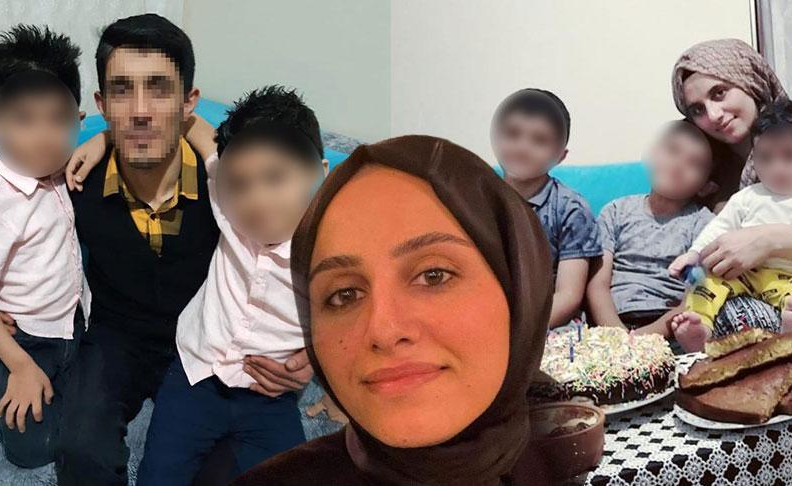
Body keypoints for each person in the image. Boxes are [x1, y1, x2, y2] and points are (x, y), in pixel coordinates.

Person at [55, 15, 313, 484]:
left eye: (159, 89)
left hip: (209, 343)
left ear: (188, 101)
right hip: (117, 336)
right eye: (121, 91)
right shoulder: (75, 181)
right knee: (78, 448)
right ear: (101, 105)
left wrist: (314, 356)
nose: (140, 110)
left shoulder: (235, 189)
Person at [233, 135, 554, 485]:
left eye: (433, 276)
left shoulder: (583, 450)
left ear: (518, 287)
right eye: (344, 295)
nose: (384, 331)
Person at [0, 25, 88, 468]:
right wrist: (18, 364)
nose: (42, 136)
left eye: (58, 119)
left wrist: (96, 142)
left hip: (72, 323)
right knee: (33, 450)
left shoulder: (65, 168)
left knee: (96, 416)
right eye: (23, 119)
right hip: (22, 335)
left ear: (78, 120)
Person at [670, 38, 792, 354]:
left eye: (719, 92)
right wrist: (694, 259)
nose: (713, 114)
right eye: (697, 109)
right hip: (745, 284)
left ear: (750, 81)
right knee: (707, 291)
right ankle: (699, 331)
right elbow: (715, 234)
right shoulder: (705, 170)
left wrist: (772, 239)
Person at [586, 120, 715, 337]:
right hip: (611, 321)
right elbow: (597, 283)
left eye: (694, 164)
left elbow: (698, 293)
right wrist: (617, 334)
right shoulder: (616, 211)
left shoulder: (704, 223)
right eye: (672, 151)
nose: (678, 165)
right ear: (653, 155)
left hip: (669, 326)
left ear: (706, 186)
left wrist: (644, 338)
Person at [490, 88, 600, 328]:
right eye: (512, 134)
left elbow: (568, 295)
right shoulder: (478, 198)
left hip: (547, 322)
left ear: (559, 156)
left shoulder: (571, 208)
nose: (522, 147)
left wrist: (516, 331)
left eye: (539, 140)